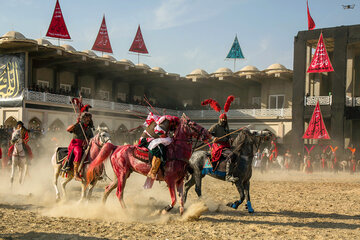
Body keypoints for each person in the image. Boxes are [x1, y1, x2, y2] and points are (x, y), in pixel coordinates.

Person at [202, 95, 236, 182]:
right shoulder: (215, 127)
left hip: (226, 145)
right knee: (230, 155)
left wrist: (230, 139)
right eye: (222, 119)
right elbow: (208, 134)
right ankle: (228, 176)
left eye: (225, 119)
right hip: (218, 145)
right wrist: (214, 138)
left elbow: (228, 136)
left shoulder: (226, 128)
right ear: (220, 119)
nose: (224, 120)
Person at [139, 113, 180, 180]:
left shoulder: (167, 122)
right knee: (160, 150)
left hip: (154, 138)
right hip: (146, 139)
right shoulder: (166, 123)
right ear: (173, 123)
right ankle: (152, 172)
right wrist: (168, 137)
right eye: (175, 126)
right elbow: (160, 133)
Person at [66, 112, 94, 181]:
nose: (88, 119)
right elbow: (68, 129)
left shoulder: (89, 129)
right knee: (78, 152)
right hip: (76, 144)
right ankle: (76, 174)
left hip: (85, 145)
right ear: (83, 118)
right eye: (86, 118)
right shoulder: (78, 126)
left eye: (89, 118)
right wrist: (76, 123)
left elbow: (92, 138)